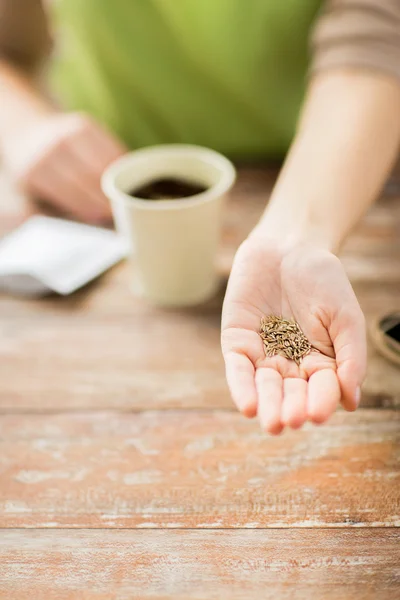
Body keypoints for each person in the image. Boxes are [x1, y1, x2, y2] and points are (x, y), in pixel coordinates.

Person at [1, 1, 399, 434]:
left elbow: (378, 29)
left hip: (331, 163)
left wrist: (297, 234)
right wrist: (21, 123)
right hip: (101, 166)